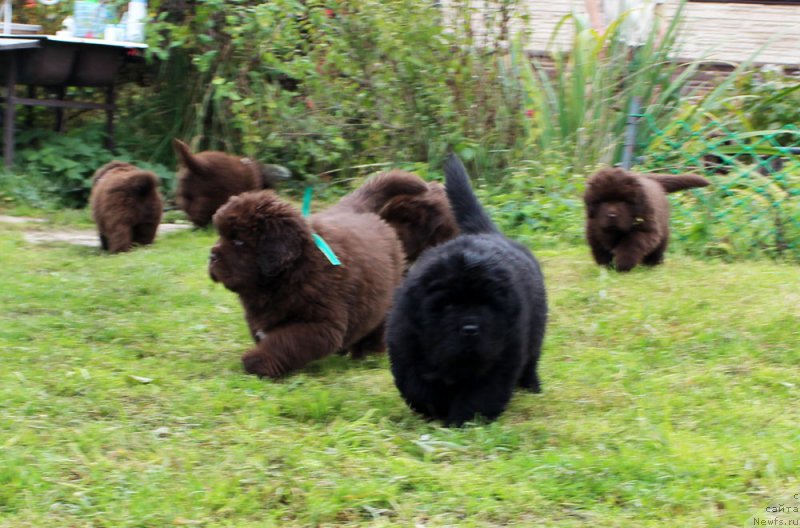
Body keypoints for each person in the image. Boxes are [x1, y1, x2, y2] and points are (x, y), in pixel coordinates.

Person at [584, 0, 667, 48]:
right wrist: (598, 30)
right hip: (612, 40)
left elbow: (658, 7)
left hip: (643, 42)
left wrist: (661, 37)